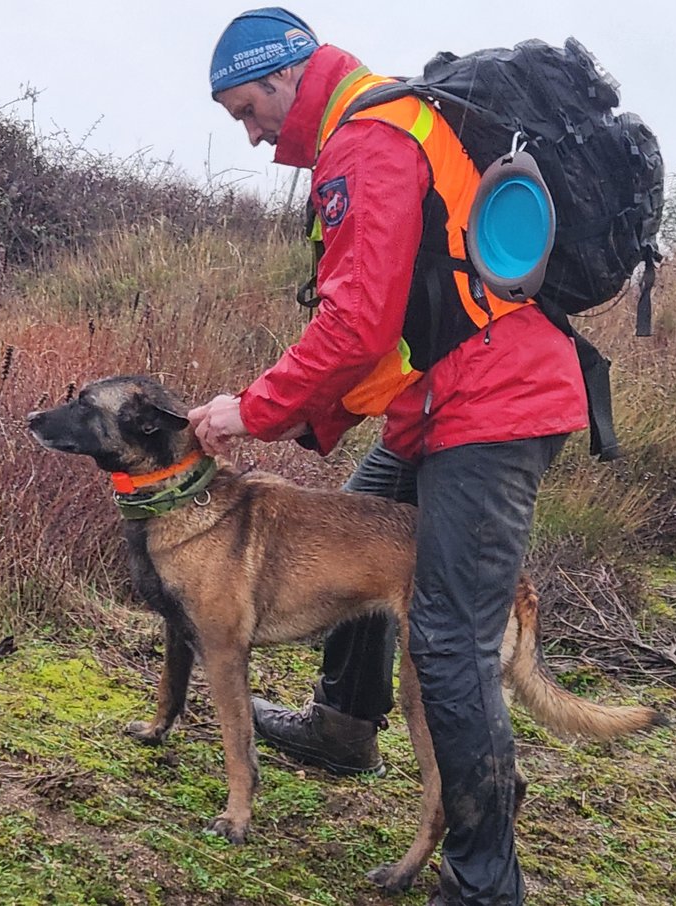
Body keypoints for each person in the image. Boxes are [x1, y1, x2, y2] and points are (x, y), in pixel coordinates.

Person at [189, 9, 589, 905]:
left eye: (248, 112)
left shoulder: (365, 141)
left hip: (496, 408)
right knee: (353, 520)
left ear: (287, 78)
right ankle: (343, 725)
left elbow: (354, 322)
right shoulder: (380, 122)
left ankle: (484, 878)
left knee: (447, 639)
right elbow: (388, 332)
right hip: (440, 404)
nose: (253, 137)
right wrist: (301, 421)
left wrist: (250, 411)